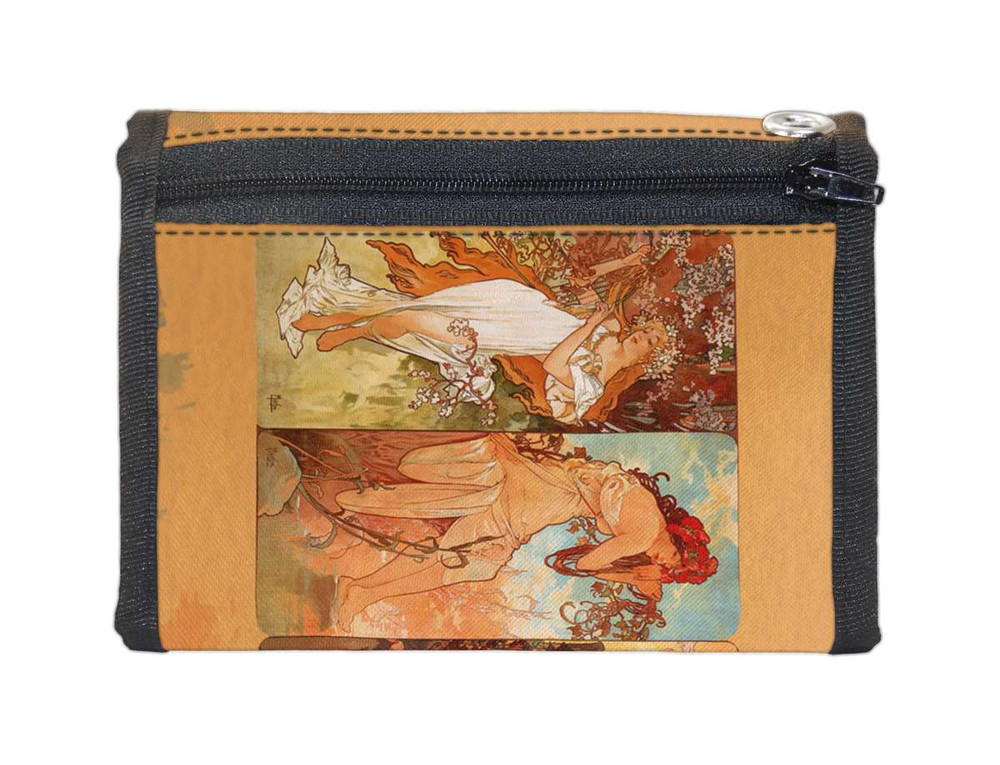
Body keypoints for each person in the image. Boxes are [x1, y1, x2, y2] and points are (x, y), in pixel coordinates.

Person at [328, 434, 717, 631]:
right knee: (472, 558)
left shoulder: (648, 511)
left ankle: (363, 590)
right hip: (545, 494)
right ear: (678, 539)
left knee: (463, 557)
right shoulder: (644, 533)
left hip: (550, 488)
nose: (663, 562)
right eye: (672, 558)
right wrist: (632, 576)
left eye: (670, 569)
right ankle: (362, 591)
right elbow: (584, 564)